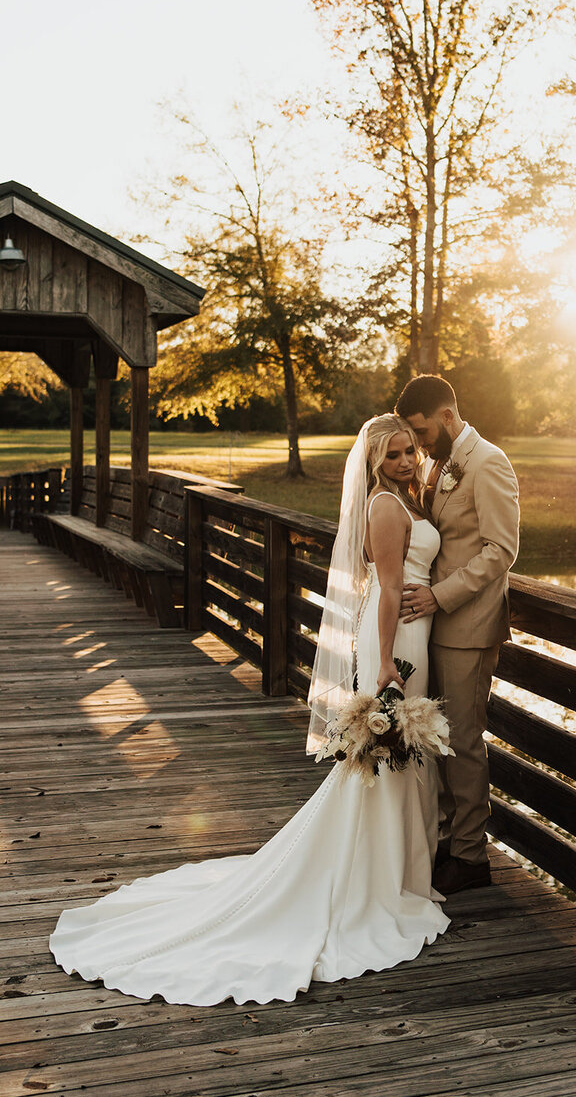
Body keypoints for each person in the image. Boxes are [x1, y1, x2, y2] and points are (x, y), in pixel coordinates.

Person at [49, 413, 449, 1007]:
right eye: (393, 456)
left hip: (408, 633)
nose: (407, 462)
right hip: (396, 641)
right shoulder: (386, 508)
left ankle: (400, 870)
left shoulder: (404, 500)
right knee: (384, 758)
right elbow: (389, 587)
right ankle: (381, 879)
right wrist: (386, 661)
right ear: (373, 465)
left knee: (395, 758)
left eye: (410, 451)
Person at [396, 375, 520, 896]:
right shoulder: (440, 464)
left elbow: (500, 549)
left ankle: (471, 856)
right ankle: (450, 836)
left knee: (464, 742)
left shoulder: (488, 462)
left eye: (423, 433)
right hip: (436, 626)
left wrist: (439, 596)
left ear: (447, 416)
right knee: (440, 739)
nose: (419, 445)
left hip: (468, 625)